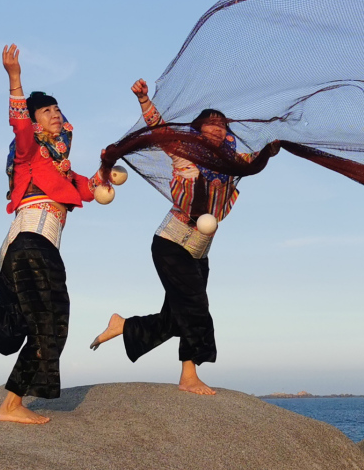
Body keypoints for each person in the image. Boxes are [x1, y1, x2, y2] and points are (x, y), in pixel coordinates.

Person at [0, 44, 96, 424]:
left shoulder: (61, 168)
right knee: (52, 322)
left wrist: (107, 173)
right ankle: (10, 405)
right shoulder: (30, 153)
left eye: (58, 109)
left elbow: (87, 189)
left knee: (15, 329)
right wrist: (15, 79)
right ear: (36, 121)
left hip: (13, 252)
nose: (56, 114)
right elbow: (21, 128)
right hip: (34, 246)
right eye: (47, 111)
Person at [89, 78, 271, 395]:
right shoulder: (184, 153)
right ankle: (189, 376)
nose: (217, 129)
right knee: (195, 307)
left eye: (222, 125)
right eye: (210, 124)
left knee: (175, 318)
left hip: (199, 251)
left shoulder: (232, 162)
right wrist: (144, 100)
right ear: (198, 130)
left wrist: (274, 147)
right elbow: (158, 129)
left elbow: (257, 159)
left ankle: (123, 325)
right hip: (171, 243)